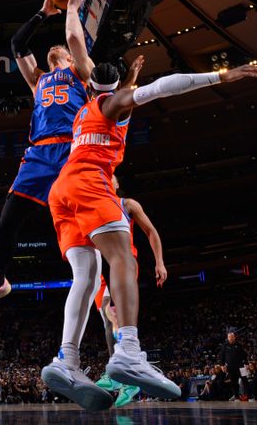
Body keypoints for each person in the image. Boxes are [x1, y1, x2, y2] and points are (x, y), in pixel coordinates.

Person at [41, 0, 257, 410]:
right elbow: (167, 87)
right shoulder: (115, 104)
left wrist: (73, 8)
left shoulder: (87, 102)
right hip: (91, 182)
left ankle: (67, 359)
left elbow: (75, 40)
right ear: (119, 88)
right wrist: (223, 74)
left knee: (85, 277)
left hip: (61, 191)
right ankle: (128, 349)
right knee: (124, 259)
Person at [0, 0, 124, 310]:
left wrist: (72, 9)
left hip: (72, 151)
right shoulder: (37, 79)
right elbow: (17, 44)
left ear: (70, 59)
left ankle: (105, 290)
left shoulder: (82, 73)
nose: (55, 48)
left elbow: (74, 39)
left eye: (62, 50)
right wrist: (43, 12)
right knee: (5, 224)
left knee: (91, 223)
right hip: (38, 154)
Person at [94, 174, 168, 407]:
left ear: (116, 184)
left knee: (112, 312)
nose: (106, 178)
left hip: (122, 262)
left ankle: (128, 370)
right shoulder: (93, 204)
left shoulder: (128, 204)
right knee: (107, 323)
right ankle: (122, 377)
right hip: (99, 270)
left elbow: (151, 231)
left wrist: (159, 262)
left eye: (111, 176)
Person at [218, 332, 248, 401]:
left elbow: (244, 355)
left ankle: (248, 396)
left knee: (245, 381)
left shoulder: (239, 345)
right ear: (228, 338)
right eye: (229, 337)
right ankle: (237, 397)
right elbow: (221, 356)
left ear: (234, 337)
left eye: (232, 337)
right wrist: (222, 365)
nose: (231, 338)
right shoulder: (224, 346)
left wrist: (246, 363)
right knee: (234, 382)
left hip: (241, 366)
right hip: (230, 367)